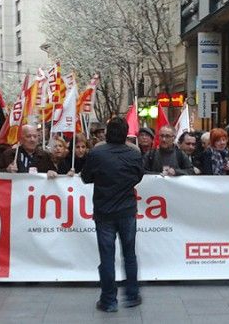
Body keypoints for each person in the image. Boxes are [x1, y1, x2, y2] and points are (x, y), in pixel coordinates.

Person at [81, 117, 144, 313]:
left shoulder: (97, 153)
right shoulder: (133, 154)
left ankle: (109, 300)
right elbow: (139, 176)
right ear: (126, 133)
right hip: (126, 210)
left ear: (107, 132)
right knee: (129, 254)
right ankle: (132, 296)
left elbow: (85, 177)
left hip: (104, 211)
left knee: (107, 257)